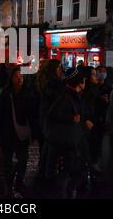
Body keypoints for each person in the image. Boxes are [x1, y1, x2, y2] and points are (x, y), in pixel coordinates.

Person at [44, 68, 92, 199]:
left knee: (75, 168)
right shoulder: (66, 96)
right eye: (83, 81)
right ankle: (65, 192)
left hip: (73, 139)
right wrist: (71, 119)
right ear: (79, 82)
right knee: (70, 170)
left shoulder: (74, 95)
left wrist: (83, 120)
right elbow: (52, 114)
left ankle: (67, 191)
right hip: (68, 141)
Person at [0, 66, 37, 198]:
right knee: (7, 160)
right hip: (7, 132)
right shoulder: (5, 93)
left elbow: (32, 115)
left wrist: (34, 133)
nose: (20, 79)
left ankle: (19, 181)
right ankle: (8, 184)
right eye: (17, 76)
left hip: (21, 134)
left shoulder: (28, 93)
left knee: (23, 159)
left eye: (22, 76)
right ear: (11, 78)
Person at [38, 60, 64, 183]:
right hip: (50, 119)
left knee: (46, 146)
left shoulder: (44, 81)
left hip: (44, 118)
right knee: (50, 147)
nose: (61, 70)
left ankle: (44, 171)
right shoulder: (53, 84)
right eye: (59, 68)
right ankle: (48, 174)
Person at [90, 66, 112, 172]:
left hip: (103, 118)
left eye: (104, 72)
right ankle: (93, 162)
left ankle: (97, 161)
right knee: (93, 142)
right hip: (93, 118)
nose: (101, 74)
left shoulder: (109, 87)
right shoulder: (92, 87)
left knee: (100, 142)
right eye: (99, 72)